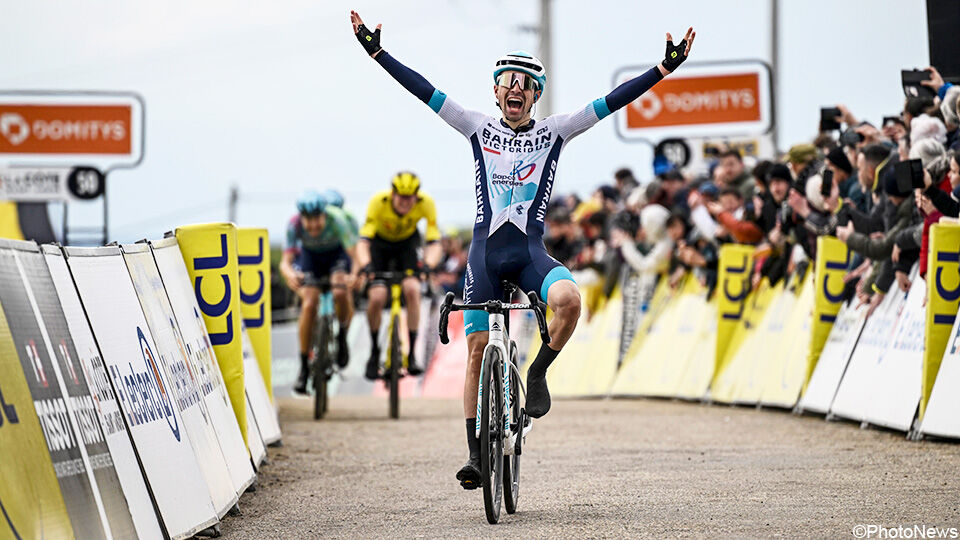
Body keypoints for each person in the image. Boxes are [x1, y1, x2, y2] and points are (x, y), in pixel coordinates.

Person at [350, 9, 695, 489]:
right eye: (508, 81)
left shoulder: (555, 130)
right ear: (496, 91)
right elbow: (423, 90)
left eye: (526, 83)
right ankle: (475, 454)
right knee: (476, 350)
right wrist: (378, 53)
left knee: (571, 302)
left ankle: (536, 373)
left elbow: (612, 101)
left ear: (536, 94)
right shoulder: (475, 125)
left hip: (530, 254)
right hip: (484, 258)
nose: (516, 88)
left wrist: (662, 71)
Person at [357, 171, 442, 380]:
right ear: (392, 194)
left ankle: (412, 353)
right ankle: (375, 351)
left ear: (417, 196)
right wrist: (366, 265)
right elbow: (363, 242)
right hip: (379, 247)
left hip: (406, 246)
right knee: (377, 297)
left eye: (410, 198)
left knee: (413, 289)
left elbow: (434, 242)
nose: (405, 202)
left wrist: (428, 265)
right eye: (401, 197)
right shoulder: (378, 202)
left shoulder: (426, 204)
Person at [279, 191, 360, 394]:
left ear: (324, 215)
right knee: (308, 304)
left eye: (317, 220)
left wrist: (354, 275)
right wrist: (290, 275)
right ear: (302, 219)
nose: (313, 226)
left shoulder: (338, 221)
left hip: (336, 256)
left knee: (340, 293)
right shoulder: (294, 225)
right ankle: (304, 367)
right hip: (311, 259)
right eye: (309, 221)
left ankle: (342, 337)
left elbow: (355, 256)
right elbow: (285, 262)